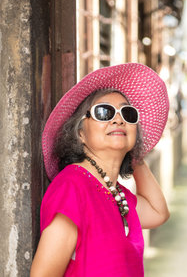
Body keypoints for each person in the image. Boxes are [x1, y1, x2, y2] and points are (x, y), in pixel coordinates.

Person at [31, 63, 170, 276]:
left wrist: (134, 154)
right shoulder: (72, 187)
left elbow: (158, 213)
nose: (118, 119)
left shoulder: (114, 193)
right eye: (103, 112)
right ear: (80, 133)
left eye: (128, 114)